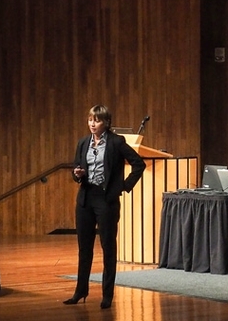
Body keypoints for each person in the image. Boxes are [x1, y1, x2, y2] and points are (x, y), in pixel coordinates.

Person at [64, 105, 146, 309]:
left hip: (106, 200)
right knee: (84, 248)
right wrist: (77, 174)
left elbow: (139, 164)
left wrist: (124, 186)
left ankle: (107, 295)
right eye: (90, 120)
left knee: (108, 247)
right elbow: (76, 169)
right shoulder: (83, 142)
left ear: (106, 123)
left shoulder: (116, 142)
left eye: (97, 120)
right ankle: (80, 291)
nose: (92, 124)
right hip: (85, 199)